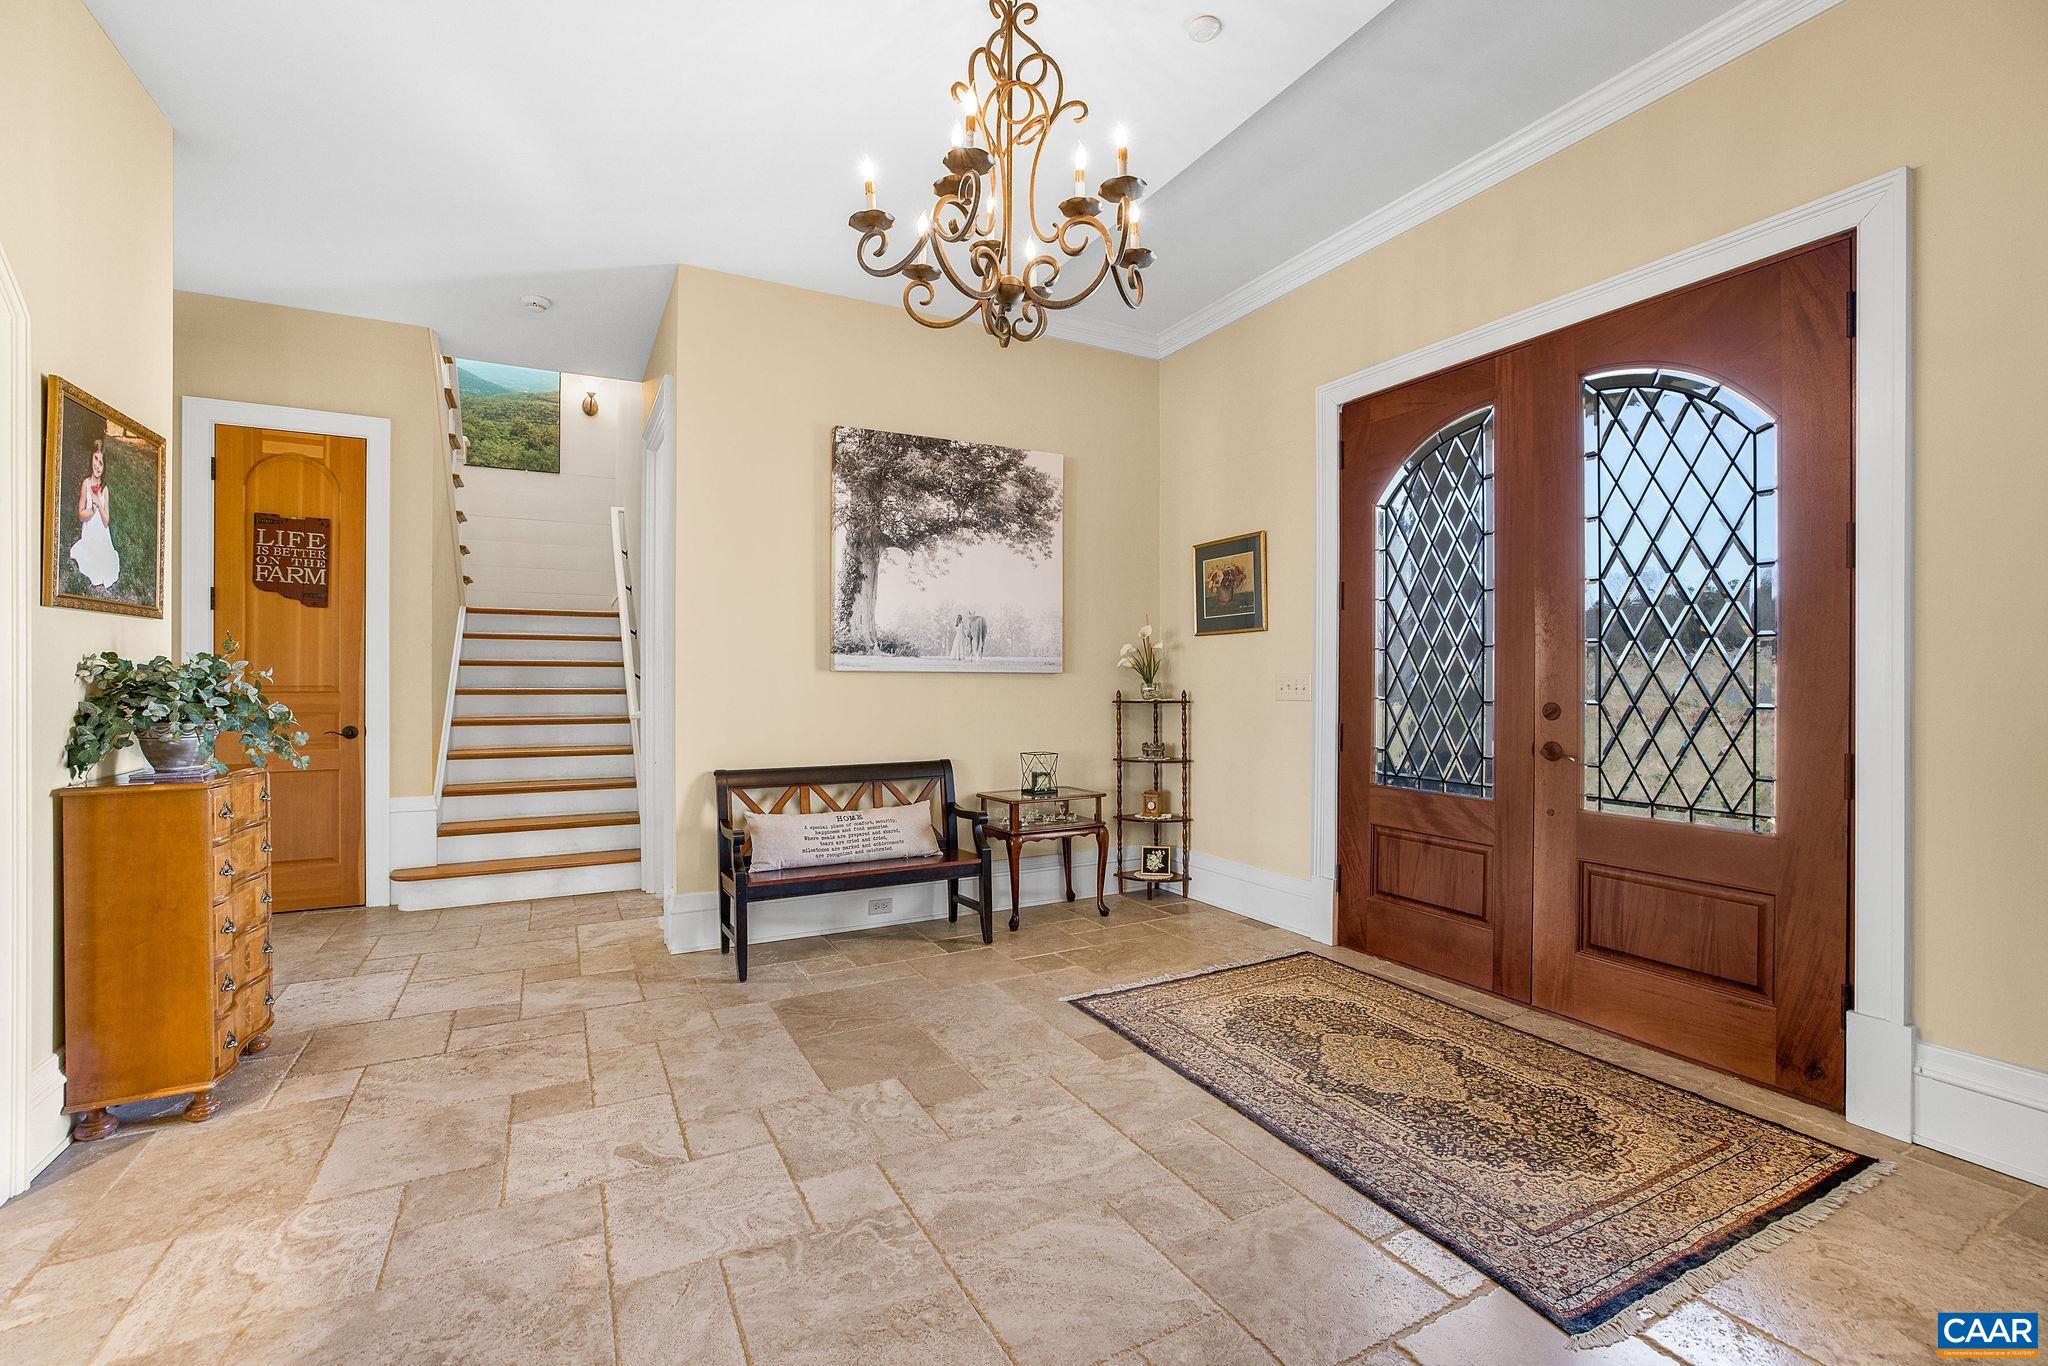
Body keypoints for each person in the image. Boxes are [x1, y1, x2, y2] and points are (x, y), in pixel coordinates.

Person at [69, 439, 121, 590]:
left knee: (106, 566)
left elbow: (106, 522)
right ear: (91, 458)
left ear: (105, 467)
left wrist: (99, 502)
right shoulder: (86, 484)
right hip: (90, 533)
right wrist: (92, 509)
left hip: (102, 535)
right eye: (96, 459)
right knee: (92, 564)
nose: (97, 465)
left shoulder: (105, 489)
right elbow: (81, 515)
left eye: (101, 463)